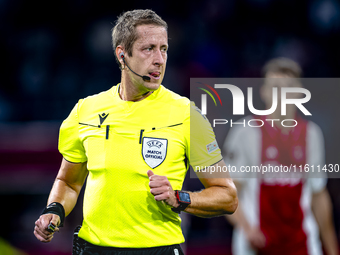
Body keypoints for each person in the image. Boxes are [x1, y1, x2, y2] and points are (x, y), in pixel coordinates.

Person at [33, 9, 238, 254]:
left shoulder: (186, 114)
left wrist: (180, 198)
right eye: (148, 48)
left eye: (164, 49)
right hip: (94, 249)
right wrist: (54, 210)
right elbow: (68, 182)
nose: (159, 59)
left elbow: (227, 197)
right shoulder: (85, 111)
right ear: (122, 55)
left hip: (157, 249)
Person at [223, 57, 338, 255]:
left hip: (302, 244)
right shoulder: (246, 132)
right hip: (256, 245)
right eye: (275, 87)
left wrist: (332, 249)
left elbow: (319, 195)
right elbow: (227, 193)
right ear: (264, 91)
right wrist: (248, 229)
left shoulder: (312, 134)